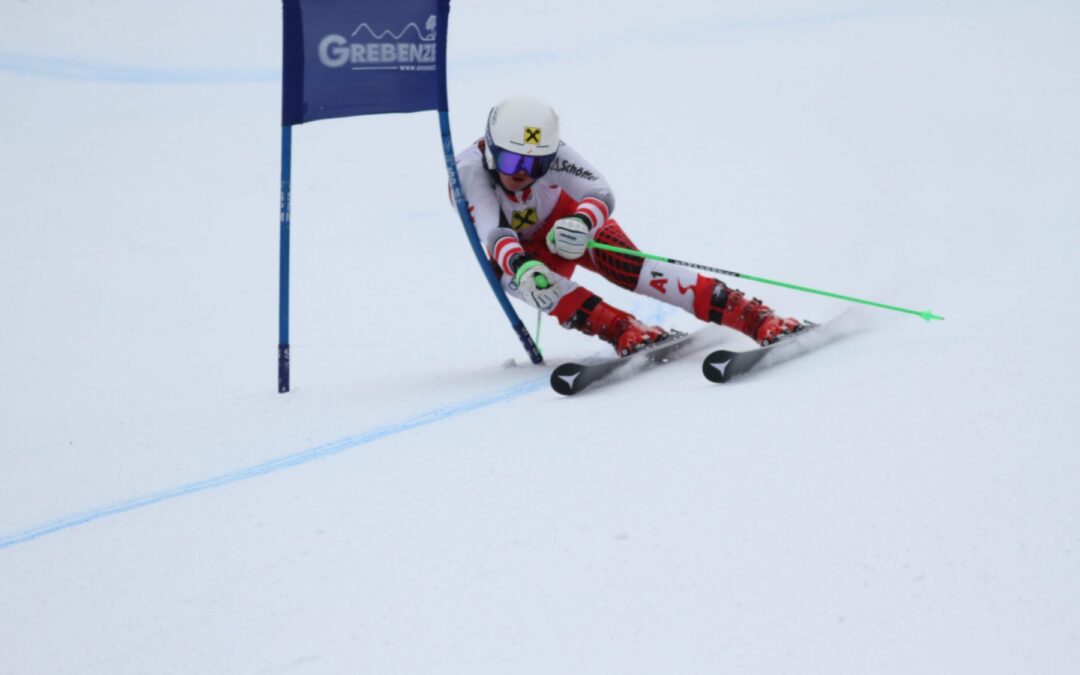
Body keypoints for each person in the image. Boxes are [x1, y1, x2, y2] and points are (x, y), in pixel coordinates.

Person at [455, 96, 804, 356]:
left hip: (566, 222)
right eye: (512, 160)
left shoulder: (554, 153)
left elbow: (600, 191)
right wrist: (522, 265)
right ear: (490, 148)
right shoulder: (468, 172)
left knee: (627, 266)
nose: (523, 173)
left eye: (537, 165)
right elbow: (493, 231)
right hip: (520, 251)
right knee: (516, 279)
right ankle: (621, 328)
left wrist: (581, 221)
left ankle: (751, 315)